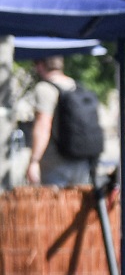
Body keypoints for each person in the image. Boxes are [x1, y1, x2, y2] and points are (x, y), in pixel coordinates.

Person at [24, 57, 96, 189]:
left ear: (40, 65)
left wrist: (34, 161)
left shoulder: (45, 88)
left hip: (54, 163)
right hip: (80, 161)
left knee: (53, 208)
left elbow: (43, 125)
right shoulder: (77, 86)